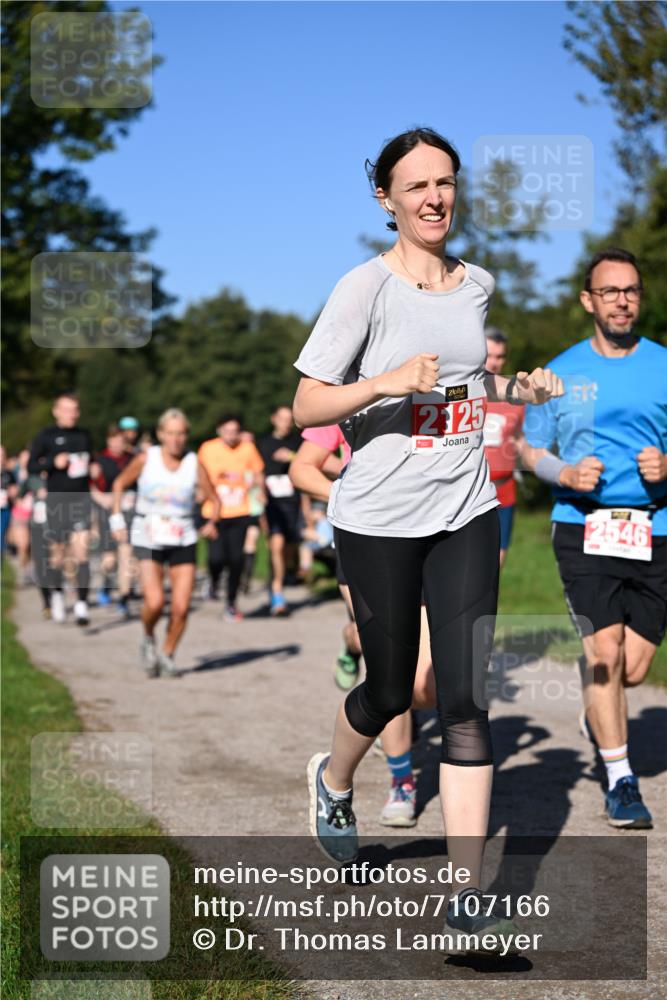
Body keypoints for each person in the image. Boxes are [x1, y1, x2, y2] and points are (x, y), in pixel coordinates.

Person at [292, 127, 562, 946]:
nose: (434, 198)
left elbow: (468, 383)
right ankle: (334, 781)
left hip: (466, 508)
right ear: (387, 199)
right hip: (375, 517)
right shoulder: (362, 290)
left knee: (464, 701)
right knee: (384, 690)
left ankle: (465, 901)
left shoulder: (475, 282)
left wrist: (516, 384)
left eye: (444, 182)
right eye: (415, 187)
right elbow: (307, 405)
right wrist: (382, 381)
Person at [522, 248, 666, 830]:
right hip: (584, 525)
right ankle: (620, 778)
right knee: (602, 656)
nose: (622, 300)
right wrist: (566, 474)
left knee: (632, 669)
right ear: (589, 301)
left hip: (656, 527)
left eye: (630, 290)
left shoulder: (663, 364)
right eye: (609, 291)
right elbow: (530, 450)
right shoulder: (559, 372)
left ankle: (597, 716)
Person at [291, 424, 436, 828]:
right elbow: (302, 469)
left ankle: (352, 645)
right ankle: (402, 780)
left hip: (424, 538)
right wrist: (347, 496)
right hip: (365, 540)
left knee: (424, 688)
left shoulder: (430, 392)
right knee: (391, 673)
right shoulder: (347, 396)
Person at [110, 408, 220, 677]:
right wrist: (116, 519)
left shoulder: (194, 462)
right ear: (161, 434)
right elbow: (119, 483)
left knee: (181, 607)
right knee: (156, 601)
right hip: (148, 532)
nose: (176, 439)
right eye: (170, 433)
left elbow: (214, 499)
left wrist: (211, 522)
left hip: (183, 534)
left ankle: (167, 654)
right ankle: (148, 636)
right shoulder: (147, 458)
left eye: (181, 433)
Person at [27, 391, 93, 625]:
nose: (71, 414)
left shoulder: (84, 435)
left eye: (74, 409)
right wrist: (52, 463)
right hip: (56, 501)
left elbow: (89, 462)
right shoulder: (46, 436)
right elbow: (32, 465)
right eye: (66, 409)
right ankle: (56, 594)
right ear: (56, 411)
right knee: (57, 556)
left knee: (81, 552)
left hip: (81, 500)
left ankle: (82, 604)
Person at [198, 415, 265, 621]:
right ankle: (213, 579)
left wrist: (260, 489)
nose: (231, 435)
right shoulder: (208, 448)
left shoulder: (247, 448)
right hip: (214, 513)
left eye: (235, 431)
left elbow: (258, 472)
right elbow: (200, 475)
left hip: (240, 511)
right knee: (216, 558)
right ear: (219, 431)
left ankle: (231, 604)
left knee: (236, 559)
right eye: (227, 431)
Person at [483, 327, 525, 567]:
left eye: (500, 357)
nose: (495, 362)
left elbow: (522, 440)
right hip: (468, 491)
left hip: (504, 492)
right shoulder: (465, 391)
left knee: (494, 569)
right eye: (489, 355)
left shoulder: (514, 396)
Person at [257, 406, 303, 615]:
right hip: (272, 502)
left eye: (289, 419)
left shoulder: (298, 442)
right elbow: (256, 470)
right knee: (276, 544)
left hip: (293, 502)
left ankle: (280, 576)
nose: (286, 422)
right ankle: (277, 592)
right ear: (273, 419)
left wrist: (292, 457)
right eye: (282, 418)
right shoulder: (263, 443)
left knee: (288, 548)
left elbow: (307, 464)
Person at [90, 424, 137, 617]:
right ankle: (106, 582)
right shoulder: (100, 460)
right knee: (109, 560)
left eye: (121, 440)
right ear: (108, 441)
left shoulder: (133, 459)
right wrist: (102, 498)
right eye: (114, 440)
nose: (117, 443)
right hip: (107, 511)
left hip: (128, 512)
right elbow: (90, 485)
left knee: (127, 554)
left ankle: (124, 599)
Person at [0, 445, 18, 557]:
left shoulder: (9, 474)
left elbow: (15, 489)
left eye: (2, 455)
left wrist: (13, 492)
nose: (1, 458)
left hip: (6, 509)